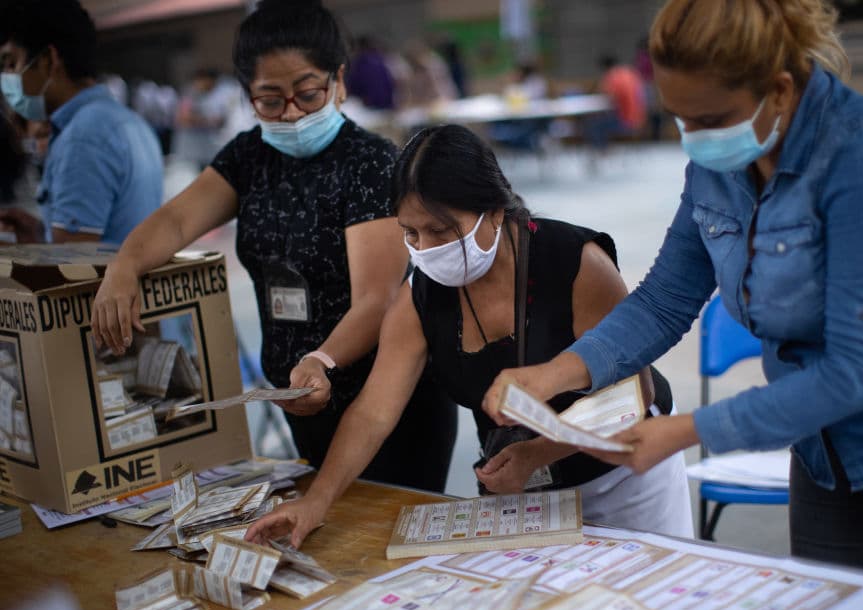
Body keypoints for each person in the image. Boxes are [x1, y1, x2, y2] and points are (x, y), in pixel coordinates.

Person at [483, 0, 863, 585]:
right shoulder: (719, 163)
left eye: (710, 119)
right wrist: (556, 373)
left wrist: (685, 431)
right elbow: (665, 299)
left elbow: (860, 370)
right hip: (825, 442)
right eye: (680, 119)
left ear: (782, 90)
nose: (694, 139)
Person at [245, 124, 693, 549]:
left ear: (493, 210)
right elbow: (374, 412)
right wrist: (317, 501)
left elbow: (631, 397)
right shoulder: (418, 296)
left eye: (441, 230)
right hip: (527, 491)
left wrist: (538, 453)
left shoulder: (575, 264)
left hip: (625, 474)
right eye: (410, 233)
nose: (425, 248)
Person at [89, 0, 457, 490]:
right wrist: (124, 267)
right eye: (269, 99)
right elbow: (177, 221)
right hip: (299, 395)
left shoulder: (369, 163)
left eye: (307, 94)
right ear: (247, 96)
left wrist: (322, 360)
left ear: (339, 82)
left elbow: (379, 298)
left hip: (385, 399)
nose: (291, 113)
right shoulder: (249, 157)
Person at [0, 0, 163, 244]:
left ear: (48, 60)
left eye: (11, 63)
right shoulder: (124, 119)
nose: (6, 78)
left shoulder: (83, 137)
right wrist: (39, 236)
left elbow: (72, 268)